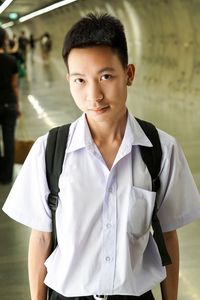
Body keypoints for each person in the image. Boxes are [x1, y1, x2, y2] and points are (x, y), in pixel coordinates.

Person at [2, 13, 200, 300]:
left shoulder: (161, 150)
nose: (94, 95)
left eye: (106, 76)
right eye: (80, 80)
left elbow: (167, 236)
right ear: (68, 79)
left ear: (129, 74)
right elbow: (42, 237)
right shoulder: (50, 151)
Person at [0, 28, 20, 184]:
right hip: (9, 104)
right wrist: (17, 106)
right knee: (8, 140)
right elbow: (15, 86)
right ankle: (7, 177)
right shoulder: (11, 60)